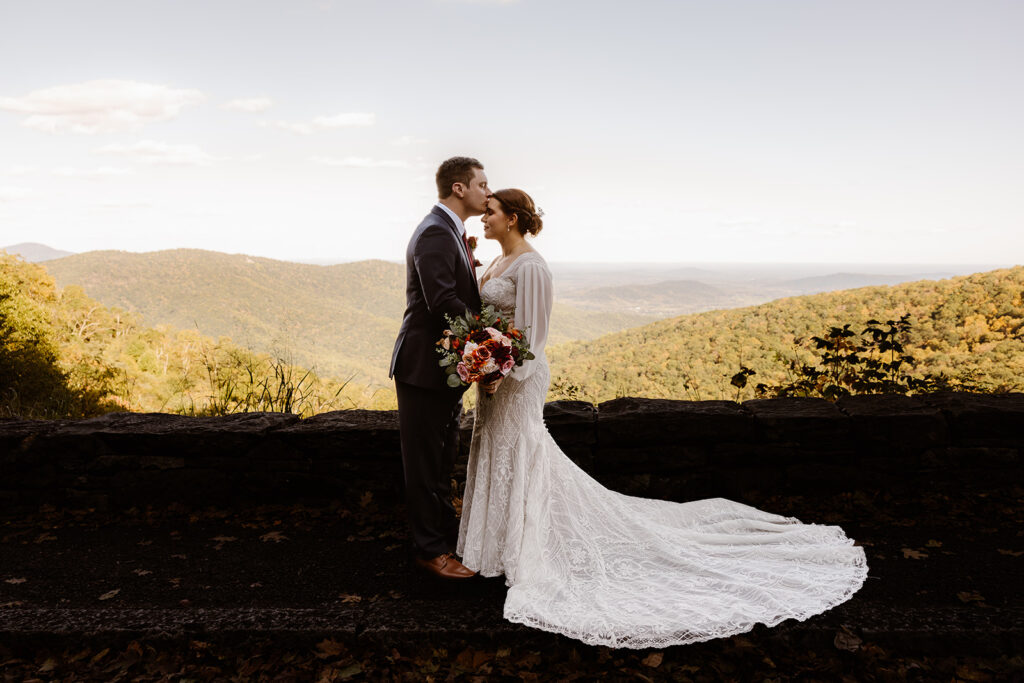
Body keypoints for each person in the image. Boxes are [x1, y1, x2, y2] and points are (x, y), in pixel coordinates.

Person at [456, 188, 869, 648]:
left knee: (521, 449)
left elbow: (533, 335)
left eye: (489, 213)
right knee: (496, 447)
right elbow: (487, 319)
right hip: (492, 376)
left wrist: (500, 371)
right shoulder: (495, 263)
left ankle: (522, 549)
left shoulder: (532, 266)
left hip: (518, 378)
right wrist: (481, 358)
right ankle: (490, 548)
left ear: (511, 218)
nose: (482, 219)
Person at [390, 156, 489, 580]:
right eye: (482, 184)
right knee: (425, 463)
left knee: (441, 456)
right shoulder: (435, 231)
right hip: (424, 368)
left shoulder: (448, 230)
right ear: (459, 188)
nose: (489, 191)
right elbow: (442, 302)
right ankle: (430, 552)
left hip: (442, 370)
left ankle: (443, 536)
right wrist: (489, 341)